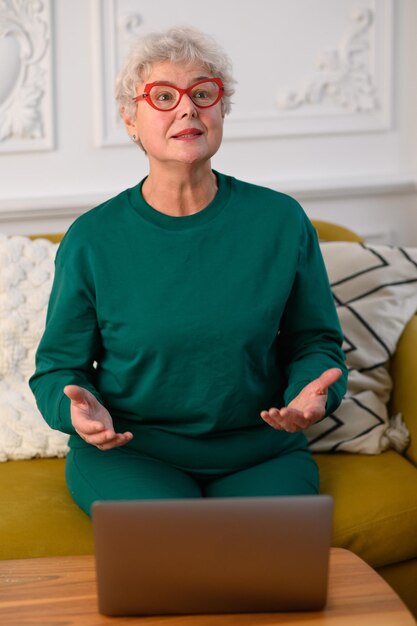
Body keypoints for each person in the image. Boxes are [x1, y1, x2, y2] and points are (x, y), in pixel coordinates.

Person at [30, 26, 347, 517]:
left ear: (221, 110)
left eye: (203, 93)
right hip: (133, 451)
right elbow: (58, 369)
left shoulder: (281, 222)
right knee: (171, 560)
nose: (187, 108)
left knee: (268, 573)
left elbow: (315, 343)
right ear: (130, 119)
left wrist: (312, 394)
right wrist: (73, 411)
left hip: (259, 452)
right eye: (163, 96)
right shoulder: (93, 239)